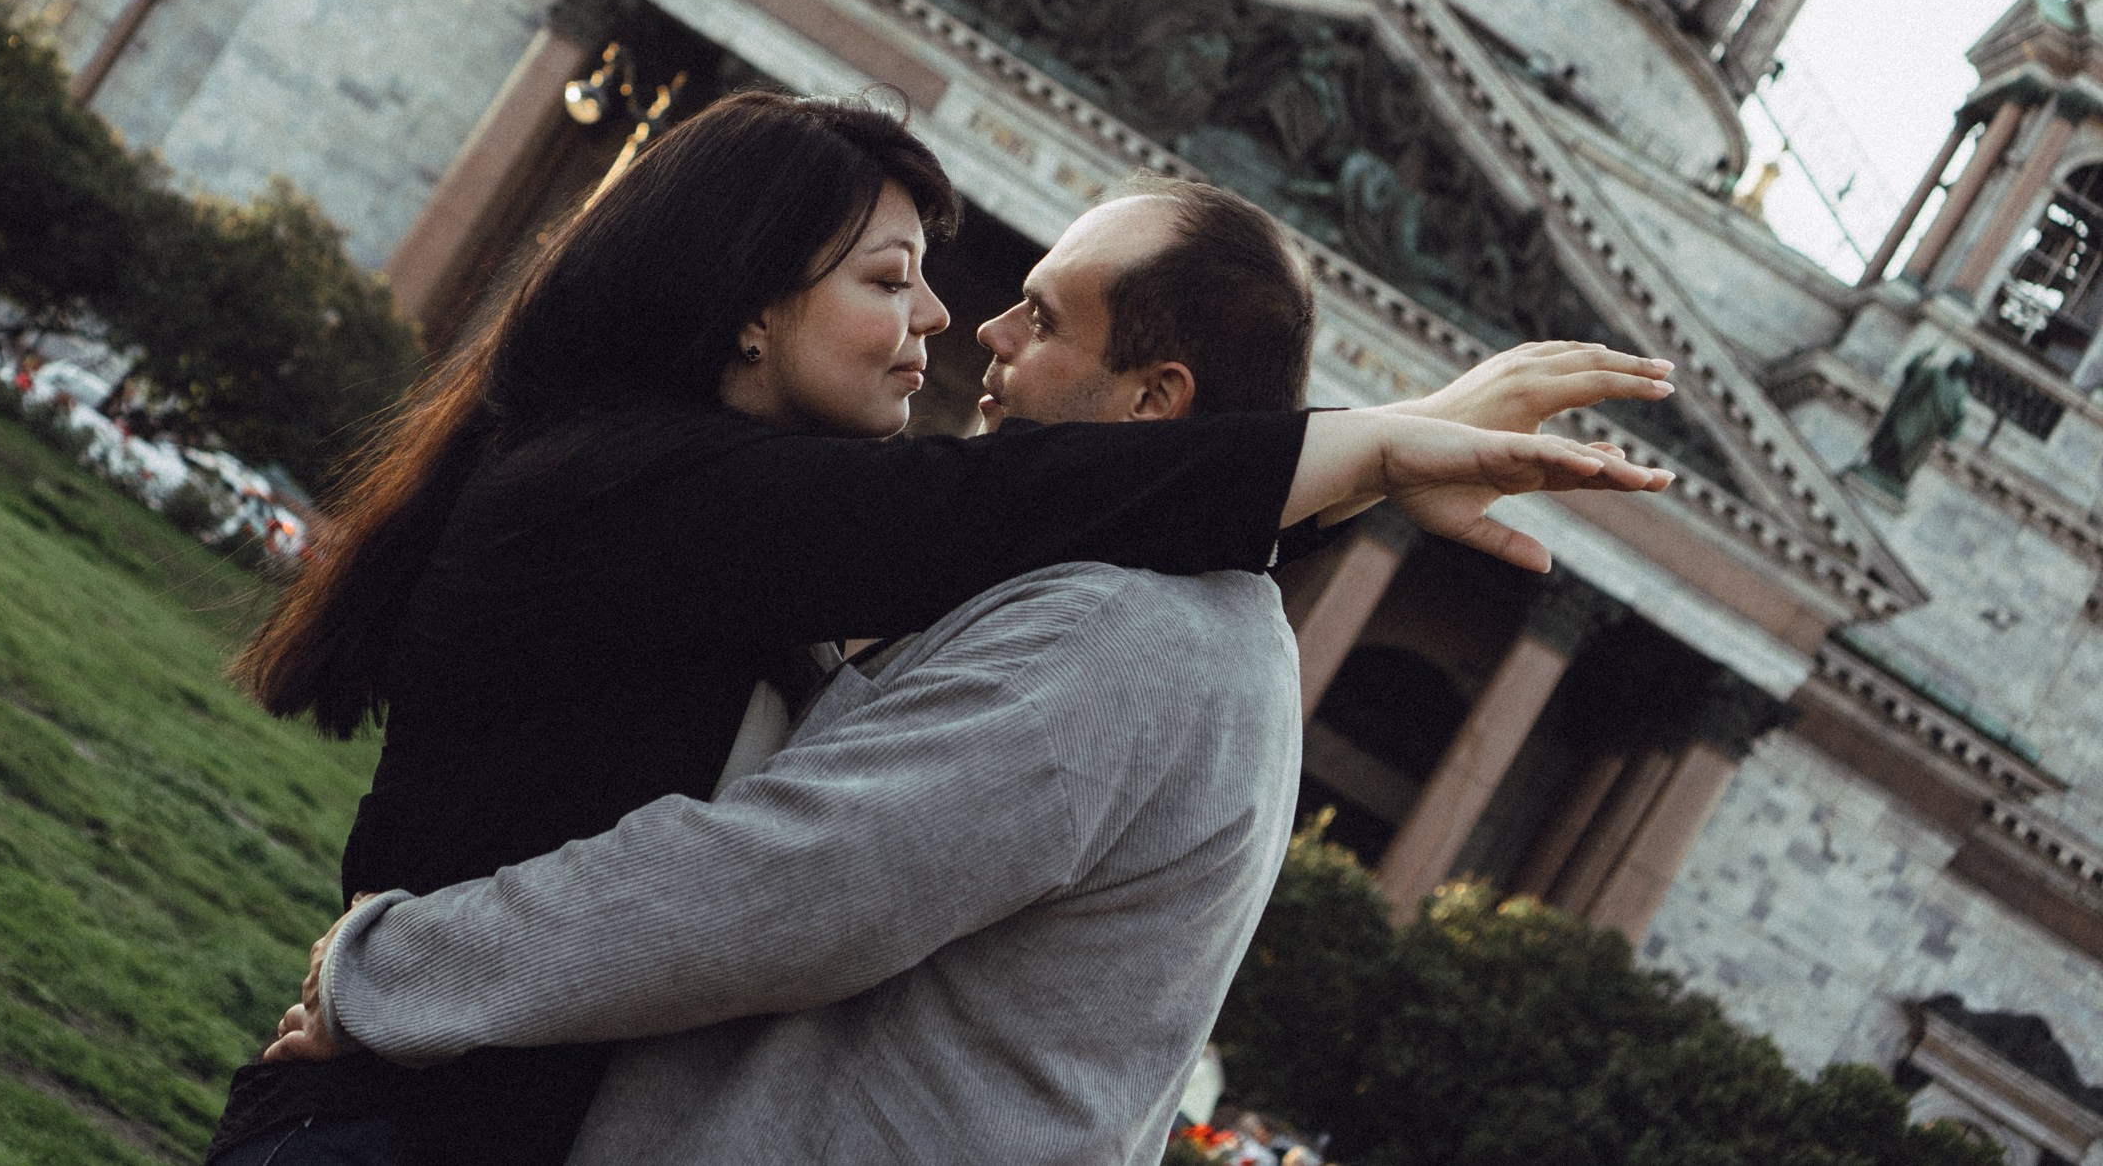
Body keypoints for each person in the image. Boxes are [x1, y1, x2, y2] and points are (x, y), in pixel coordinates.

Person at [205, 94, 1668, 1166]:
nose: (971, 333)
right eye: (891, 281)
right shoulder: (681, 498)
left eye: (1034, 314)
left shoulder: (1133, 637)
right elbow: (977, 511)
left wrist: (393, 969)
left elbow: (789, 880)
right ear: (741, 310)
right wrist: (1350, 462)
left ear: (1157, 404)